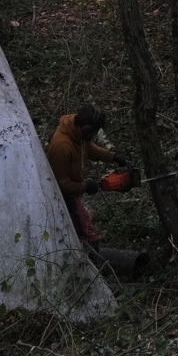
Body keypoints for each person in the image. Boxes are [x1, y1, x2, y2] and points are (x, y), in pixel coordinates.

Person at [47, 105, 127, 249]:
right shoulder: (62, 146)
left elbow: (90, 149)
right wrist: (85, 186)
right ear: (86, 129)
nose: (92, 136)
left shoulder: (78, 135)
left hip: (72, 191)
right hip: (63, 196)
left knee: (82, 230)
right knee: (87, 235)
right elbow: (59, 184)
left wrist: (113, 157)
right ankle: (91, 260)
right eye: (92, 132)